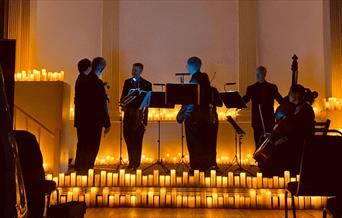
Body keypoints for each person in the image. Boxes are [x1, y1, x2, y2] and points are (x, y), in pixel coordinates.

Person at [260, 84, 315, 177]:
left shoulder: (307, 110)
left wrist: (285, 138)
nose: (288, 95)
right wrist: (274, 135)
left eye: (290, 93)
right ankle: (268, 172)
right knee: (268, 142)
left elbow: (302, 131)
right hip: (290, 139)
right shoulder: (293, 108)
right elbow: (287, 126)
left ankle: (275, 174)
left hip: (299, 142)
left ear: (296, 95)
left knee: (277, 149)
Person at [74, 57, 111, 174]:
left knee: (82, 145)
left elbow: (85, 98)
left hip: (81, 120)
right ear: (101, 68)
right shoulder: (96, 82)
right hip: (94, 121)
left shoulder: (81, 79)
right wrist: (107, 123)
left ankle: (80, 170)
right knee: (92, 147)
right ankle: (87, 170)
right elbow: (101, 105)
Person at [177, 56, 212, 172]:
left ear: (192, 66)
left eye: (188, 65)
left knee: (194, 144)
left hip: (194, 118)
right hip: (205, 116)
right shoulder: (205, 78)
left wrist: (182, 114)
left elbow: (191, 100)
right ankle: (204, 167)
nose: (186, 67)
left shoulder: (194, 80)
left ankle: (196, 167)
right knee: (204, 142)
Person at [242, 66, 283, 150]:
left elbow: (280, 100)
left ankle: (267, 161)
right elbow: (245, 100)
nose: (257, 76)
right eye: (256, 74)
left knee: (268, 142)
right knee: (257, 141)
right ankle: (259, 160)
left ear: (264, 74)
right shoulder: (251, 88)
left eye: (258, 74)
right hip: (257, 120)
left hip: (269, 120)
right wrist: (236, 101)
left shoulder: (272, 87)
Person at [120, 63, 152, 171]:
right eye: (132, 69)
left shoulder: (147, 84)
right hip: (129, 115)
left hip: (140, 117)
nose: (133, 72)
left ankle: (136, 163)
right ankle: (131, 162)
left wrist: (145, 119)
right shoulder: (127, 82)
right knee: (128, 139)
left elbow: (148, 103)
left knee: (138, 140)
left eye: (136, 70)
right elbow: (123, 99)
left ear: (141, 71)